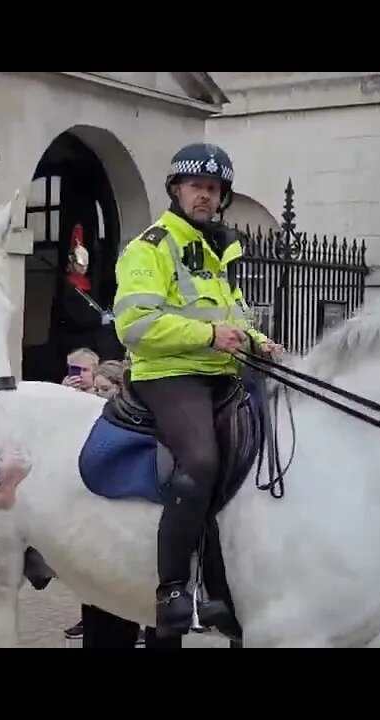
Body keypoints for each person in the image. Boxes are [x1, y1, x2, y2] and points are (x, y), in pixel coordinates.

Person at [112, 142, 282, 639]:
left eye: (214, 189)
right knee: (203, 461)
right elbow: (134, 324)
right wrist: (207, 337)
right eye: (196, 187)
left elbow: (230, 317)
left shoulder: (217, 250)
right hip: (167, 375)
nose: (205, 196)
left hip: (222, 374)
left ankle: (232, 579)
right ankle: (172, 589)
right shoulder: (150, 246)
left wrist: (257, 341)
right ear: (176, 191)